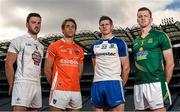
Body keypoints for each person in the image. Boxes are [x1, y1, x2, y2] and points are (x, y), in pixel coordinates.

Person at [132, 7, 175, 111]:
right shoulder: (135, 41)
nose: (142, 18)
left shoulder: (160, 36)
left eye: (145, 16)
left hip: (156, 83)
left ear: (151, 19)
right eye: (140, 16)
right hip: (139, 84)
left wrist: (164, 82)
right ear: (137, 20)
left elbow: (170, 63)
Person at [5, 13, 44, 111]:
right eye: (33, 22)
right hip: (22, 83)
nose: (37, 25)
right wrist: (11, 83)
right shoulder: (18, 41)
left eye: (39, 23)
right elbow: (8, 63)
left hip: (37, 84)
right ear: (27, 24)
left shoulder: (41, 46)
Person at [90, 16, 130, 111]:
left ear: (111, 27)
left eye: (107, 24)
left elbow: (126, 67)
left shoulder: (119, 43)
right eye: (102, 25)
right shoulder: (94, 45)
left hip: (114, 81)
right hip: (97, 83)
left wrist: (120, 84)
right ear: (99, 28)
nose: (104, 26)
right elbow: (95, 66)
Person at [44, 18, 84, 111]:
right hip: (59, 90)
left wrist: (72, 84)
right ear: (63, 30)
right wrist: (55, 85)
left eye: (73, 27)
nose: (70, 28)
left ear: (75, 30)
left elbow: (80, 72)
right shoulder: (54, 46)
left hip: (75, 90)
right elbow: (47, 69)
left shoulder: (80, 50)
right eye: (67, 26)